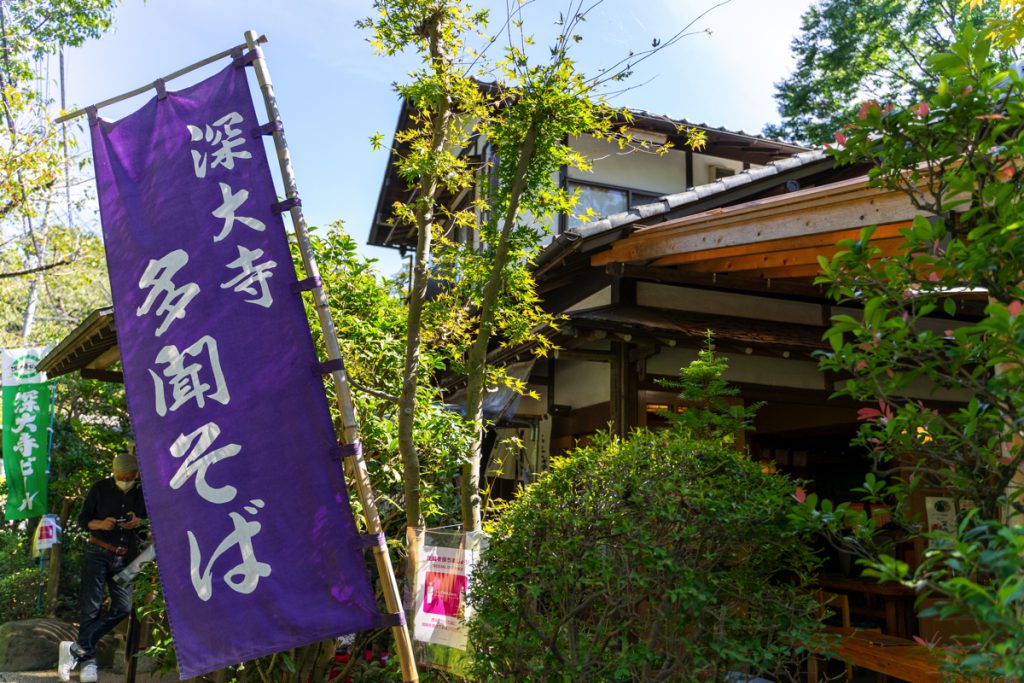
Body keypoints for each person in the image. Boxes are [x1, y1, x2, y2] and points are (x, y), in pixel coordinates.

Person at [58, 449, 147, 682]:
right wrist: (99, 523)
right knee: (92, 607)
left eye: (130, 477)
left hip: (125, 558)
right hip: (97, 552)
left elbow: (150, 524)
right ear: (114, 472)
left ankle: (76, 647)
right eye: (122, 477)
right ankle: (88, 663)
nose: (126, 481)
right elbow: (82, 520)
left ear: (137, 474)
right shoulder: (99, 488)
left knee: (124, 608)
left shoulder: (142, 493)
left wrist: (139, 522)